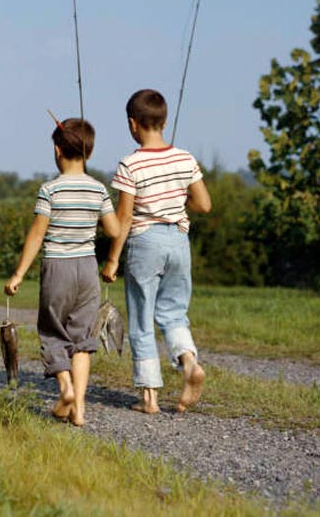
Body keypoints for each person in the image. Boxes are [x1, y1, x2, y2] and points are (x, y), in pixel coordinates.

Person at [101, 89, 211, 414]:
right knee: (174, 313)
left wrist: (111, 260)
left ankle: (149, 398)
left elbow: (124, 217)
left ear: (132, 125)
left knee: (141, 319)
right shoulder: (185, 159)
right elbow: (204, 204)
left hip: (145, 243)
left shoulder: (130, 164)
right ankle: (189, 362)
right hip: (178, 240)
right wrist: (177, 203)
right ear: (164, 121)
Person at [4, 117, 120, 426]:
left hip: (57, 268)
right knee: (82, 339)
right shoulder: (98, 189)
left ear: (57, 150)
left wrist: (17, 275)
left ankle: (66, 390)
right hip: (87, 270)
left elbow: (37, 235)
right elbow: (114, 228)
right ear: (89, 154)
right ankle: (79, 409)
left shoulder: (49, 190)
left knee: (54, 333)